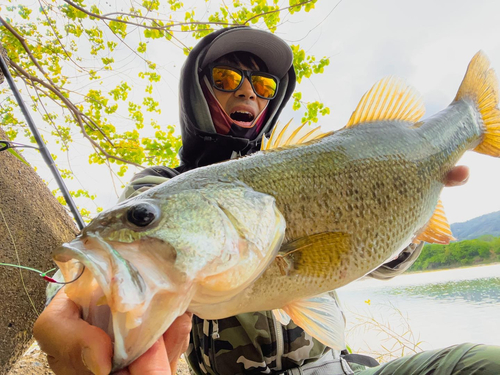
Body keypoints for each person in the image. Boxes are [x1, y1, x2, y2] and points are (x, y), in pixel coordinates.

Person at [33, 26, 498, 375]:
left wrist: (413, 208)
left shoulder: (311, 164)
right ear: (195, 92)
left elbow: (383, 265)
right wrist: (64, 300)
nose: (247, 91)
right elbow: (102, 266)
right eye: (227, 76)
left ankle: (478, 116)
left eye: (264, 87)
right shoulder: (157, 186)